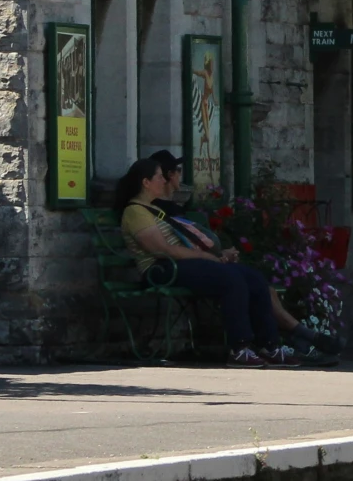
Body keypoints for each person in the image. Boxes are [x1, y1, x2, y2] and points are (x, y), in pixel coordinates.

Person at [113, 153, 326, 366]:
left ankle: (269, 346)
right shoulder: (135, 212)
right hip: (160, 269)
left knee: (252, 277)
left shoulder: (154, 209)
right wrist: (206, 257)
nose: (164, 180)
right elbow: (162, 250)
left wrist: (214, 256)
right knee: (230, 279)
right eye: (159, 177)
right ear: (146, 182)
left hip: (180, 264)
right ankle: (239, 348)